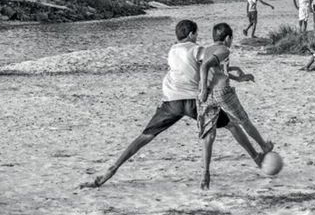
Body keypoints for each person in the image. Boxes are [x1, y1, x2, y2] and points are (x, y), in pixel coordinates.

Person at [80, 20, 230, 188]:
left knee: (145, 136)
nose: (197, 37)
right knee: (228, 125)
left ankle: (111, 170)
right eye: (196, 34)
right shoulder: (197, 49)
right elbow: (211, 60)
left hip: (171, 100)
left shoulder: (172, 51)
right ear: (191, 35)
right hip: (192, 100)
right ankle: (206, 173)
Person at [197, 23, 275, 189]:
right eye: (231, 39)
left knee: (209, 136)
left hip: (208, 97)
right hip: (221, 93)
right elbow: (205, 67)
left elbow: (214, 69)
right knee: (244, 121)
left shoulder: (207, 49)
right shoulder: (225, 50)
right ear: (228, 38)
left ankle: (205, 173)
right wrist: (204, 89)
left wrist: (238, 77)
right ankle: (264, 146)